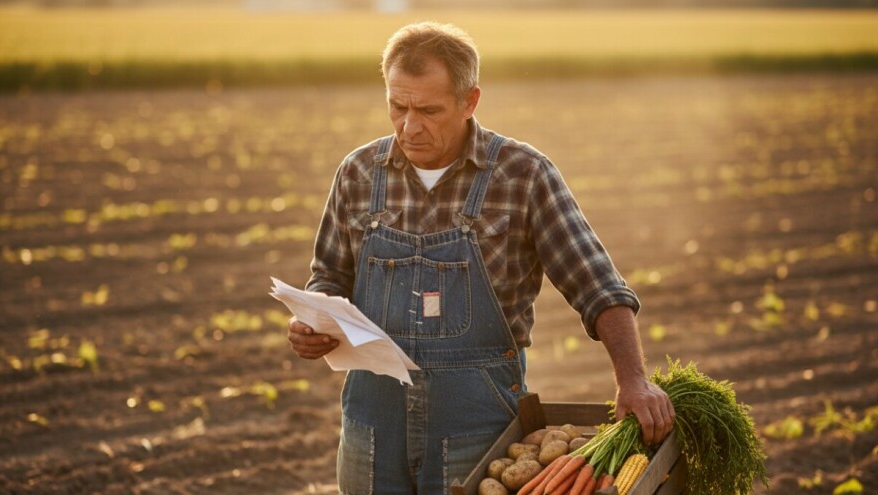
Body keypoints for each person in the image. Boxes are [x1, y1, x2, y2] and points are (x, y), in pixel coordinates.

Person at [288, 21, 674, 494]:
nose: (409, 126)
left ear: (470, 102)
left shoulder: (522, 174)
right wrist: (314, 321)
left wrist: (633, 380)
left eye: (428, 110)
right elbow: (328, 275)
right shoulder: (357, 173)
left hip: (476, 432)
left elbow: (598, 286)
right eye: (397, 106)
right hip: (372, 428)